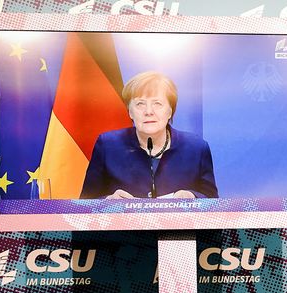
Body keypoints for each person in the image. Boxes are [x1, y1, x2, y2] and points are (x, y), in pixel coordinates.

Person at [80, 71, 218, 199]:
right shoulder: (107, 145)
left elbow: (214, 205)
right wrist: (108, 201)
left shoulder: (196, 148)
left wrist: (193, 196)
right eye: (140, 104)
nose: (148, 111)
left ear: (170, 111)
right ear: (130, 112)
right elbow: (85, 205)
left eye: (157, 104)